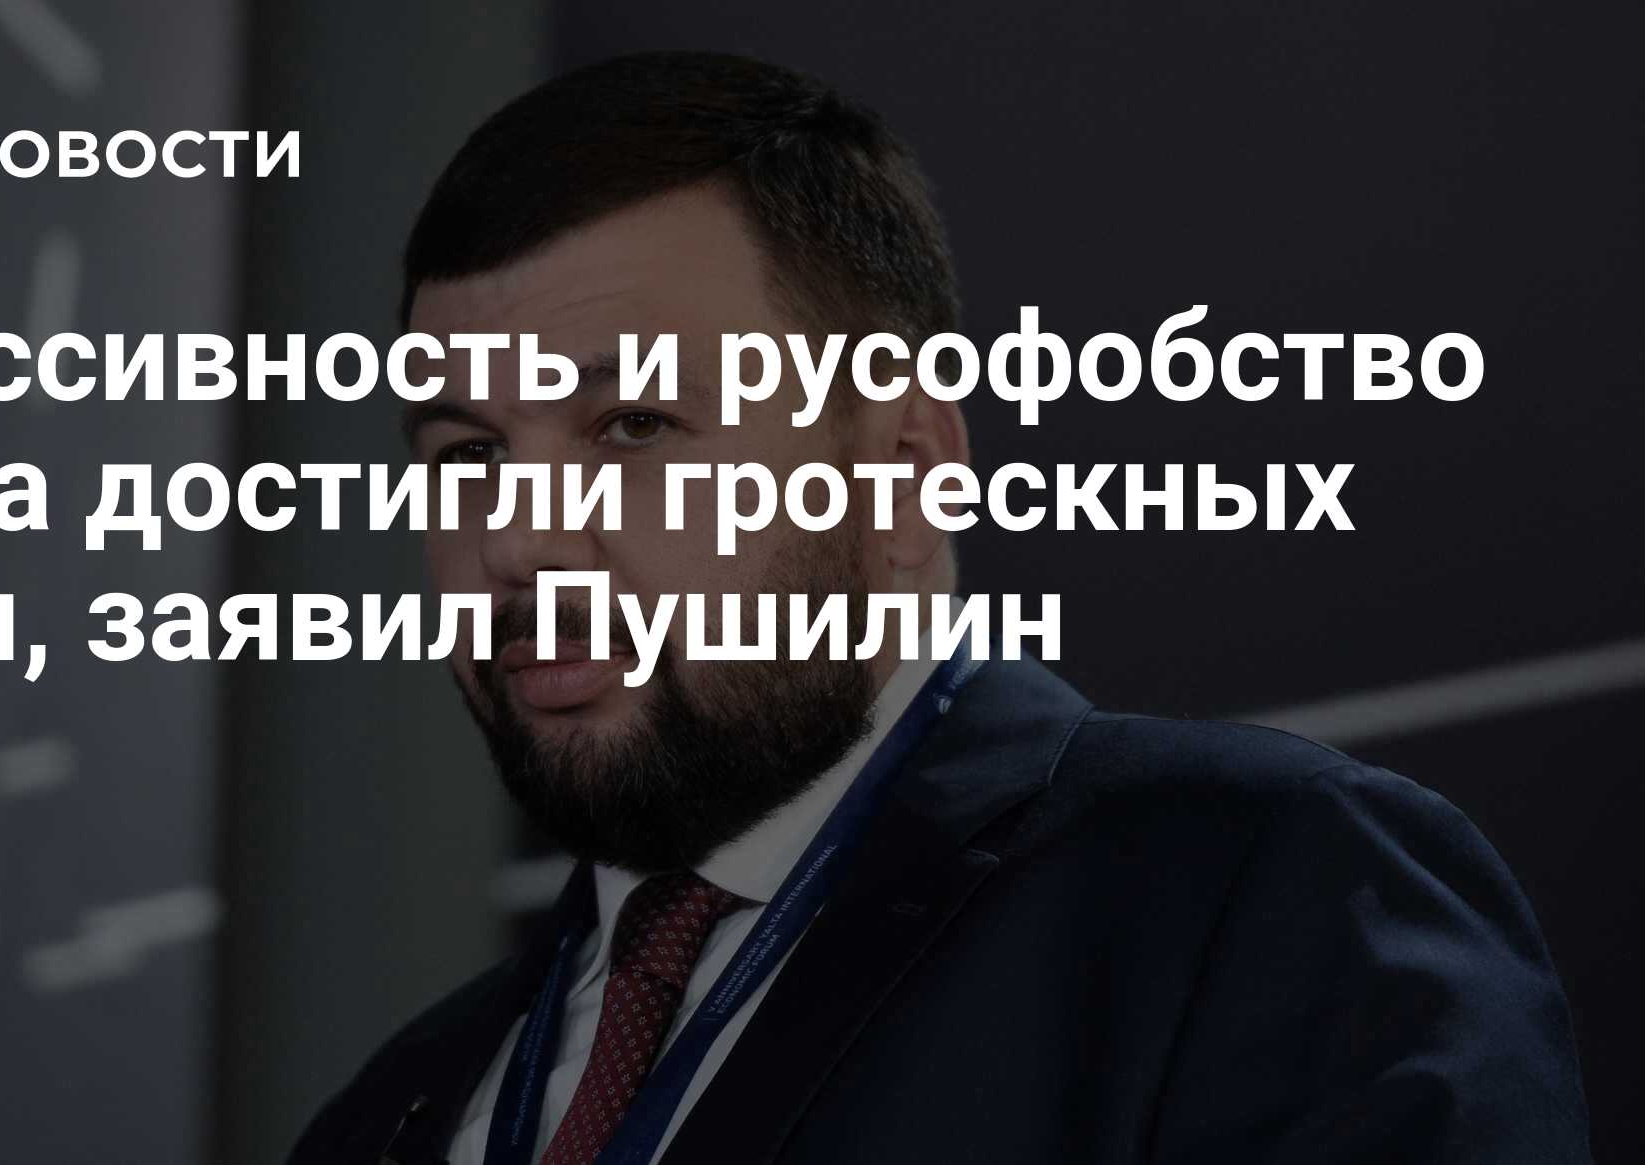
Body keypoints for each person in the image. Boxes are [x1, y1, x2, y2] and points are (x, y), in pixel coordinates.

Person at [290, 51, 1590, 1165]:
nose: (515, 538)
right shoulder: (388, 1111)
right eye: (468, 454)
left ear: (902, 471)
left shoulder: (1261, 897)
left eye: (632, 425)